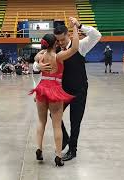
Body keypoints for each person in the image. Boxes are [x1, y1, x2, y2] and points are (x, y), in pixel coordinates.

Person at [34, 17, 101, 161]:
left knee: (75, 121)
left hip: (79, 90)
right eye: (57, 41)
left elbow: (97, 35)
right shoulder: (55, 50)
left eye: (62, 40)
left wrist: (79, 25)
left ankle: (72, 150)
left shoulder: (81, 45)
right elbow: (38, 58)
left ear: (68, 35)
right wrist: (38, 66)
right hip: (62, 91)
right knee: (54, 116)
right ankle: (64, 139)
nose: (60, 43)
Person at [30, 20, 79, 167]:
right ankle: (58, 156)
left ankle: (39, 148)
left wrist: (38, 63)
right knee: (57, 125)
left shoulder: (40, 56)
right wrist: (75, 28)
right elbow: (75, 48)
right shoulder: (59, 57)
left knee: (41, 121)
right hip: (55, 90)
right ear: (55, 44)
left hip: (42, 88)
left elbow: (35, 59)